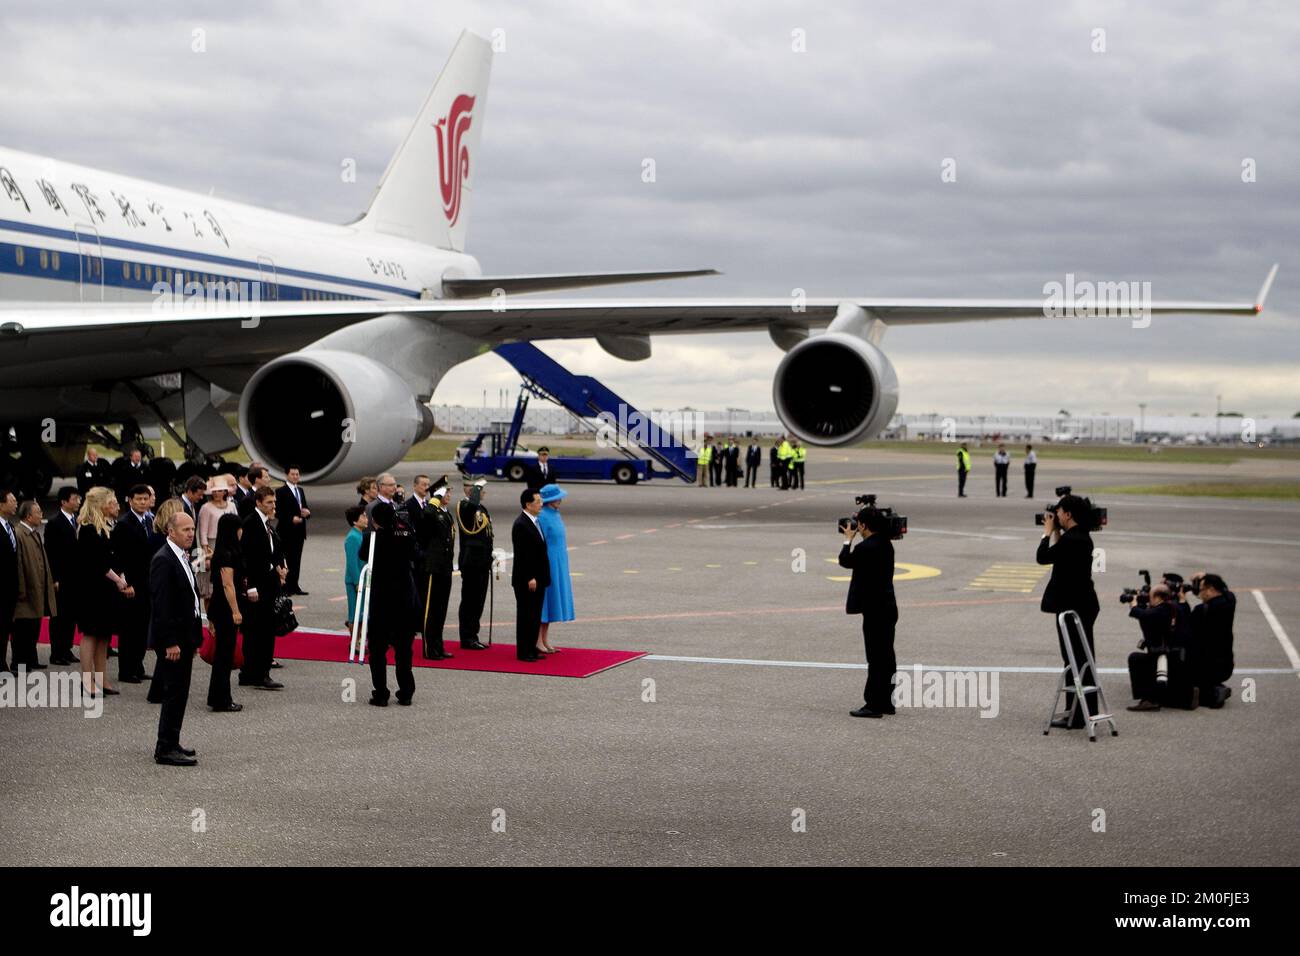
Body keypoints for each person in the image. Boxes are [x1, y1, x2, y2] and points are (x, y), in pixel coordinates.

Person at [1036, 494, 1101, 729]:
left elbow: (1042, 557)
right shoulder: (1079, 537)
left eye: (1059, 512)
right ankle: (1080, 711)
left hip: (1074, 607)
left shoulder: (1074, 540)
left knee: (1075, 660)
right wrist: (1056, 532)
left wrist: (1046, 532)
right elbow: (1060, 556)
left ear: (1068, 514)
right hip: (1082, 604)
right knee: (1079, 659)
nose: (1057, 516)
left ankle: (1078, 715)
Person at [150, 512, 204, 766]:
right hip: (173, 639)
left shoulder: (182, 556)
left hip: (186, 636)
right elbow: (162, 606)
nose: (190, 534)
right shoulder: (164, 560)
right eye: (185, 530)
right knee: (173, 692)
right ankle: (165, 747)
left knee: (181, 691)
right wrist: (170, 641)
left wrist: (193, 638)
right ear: (170, 532)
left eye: (192, 529)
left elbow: (190, 598)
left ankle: (172, 741)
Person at [840, 505, 898, 718]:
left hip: (874, 610)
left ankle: (873, 704)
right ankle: (886, 702)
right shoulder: (886, 544)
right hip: (888, 607)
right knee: (887, 657)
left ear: (863, 525)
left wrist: (848, 539)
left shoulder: (866, 548)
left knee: (875, 658)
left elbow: (845, 561)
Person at [76, 487, 131, 697]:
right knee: (91, 633)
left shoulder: (110, 526)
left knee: (104, 635)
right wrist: (118, 580)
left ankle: (102, 679)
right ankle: (87, 680)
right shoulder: (89, 528)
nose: (116, 505)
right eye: (112, 502)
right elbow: (95, 562)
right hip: (92, 589)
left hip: (108, 588)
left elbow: (115, 557)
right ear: (101, 504)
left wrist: (122, 576)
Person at [365, 501, 418, 705]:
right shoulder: (406, 536)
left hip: (381, 604)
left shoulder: (371, 539)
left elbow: (363, 556)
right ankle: (406, 691)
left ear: (375, 520)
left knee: (378, 651)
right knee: (404, 650)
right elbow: (416, 553)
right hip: (404, 601)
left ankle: (381, 692)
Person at [239, 486, 287, 690]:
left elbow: (272, 551)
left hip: (269, 584)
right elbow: (248, 557)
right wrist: (250, 586)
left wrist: (280, 566)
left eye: (274, 502)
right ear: (258, 502)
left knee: (260, 630)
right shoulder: (251, 524)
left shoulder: (267, 523)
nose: (273, 505)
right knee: (259, 632)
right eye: (269, 502)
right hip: (258, 586)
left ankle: (252, 672)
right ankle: (259, 673)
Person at [111, 484, 156, 683]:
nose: (142, 502)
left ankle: (138, 665)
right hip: (132, 582)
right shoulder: (123, 524)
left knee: (142, 626)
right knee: (129, 629)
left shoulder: (150, 520)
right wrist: (125, 583)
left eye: (145, 499)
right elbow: (118, 557)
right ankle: (126, 670)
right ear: (130, 501)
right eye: (138, 499)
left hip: (147, 582)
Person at [206, 513, 247, 713]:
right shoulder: (227, 554)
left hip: (219, 607)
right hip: (226, 608)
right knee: (224, 655)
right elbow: (228, 584)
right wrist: (236, 610)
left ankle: (219, 696)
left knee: (223, 655)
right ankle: (221, 699)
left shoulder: (221, 552)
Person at [1125, 585, 1188, 712]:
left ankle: (1148, 700)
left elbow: (1144, 616)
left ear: (1157, 596)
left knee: (1135, 659)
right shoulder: (1174, 607)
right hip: (1178, 653)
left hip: (1166, 655)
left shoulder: (1162, 610)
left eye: (1150, 596)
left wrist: (1133, 604)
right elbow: (1150, 615)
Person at [12, 499, 56, 671]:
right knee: (22, 630)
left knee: (33, 628)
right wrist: (21, 590)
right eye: (38, 512)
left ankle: (31, 659)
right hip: (27, 591)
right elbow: (19, 565)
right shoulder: (19, 534)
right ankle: (19, 662)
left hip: (38, 587)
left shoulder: (34, 532)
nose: (41, 515)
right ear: (29, 516)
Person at [416, 479, 455, 660]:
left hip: (445, 567)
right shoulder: (432, 511)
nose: (448, 495)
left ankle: (438, 645)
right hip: (432, 566)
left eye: (448, 493)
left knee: (441, 609)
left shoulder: (446, 513)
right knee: (430, 610)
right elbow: (427, 515)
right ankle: (428, 648)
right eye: (444, 493)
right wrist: (435, 498)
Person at [511, 488, 550, 662]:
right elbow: (522, 556)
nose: (541, 504)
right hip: (527, 579)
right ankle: (523, 651)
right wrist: (530, 577)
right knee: (526, 615)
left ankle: (532, 648)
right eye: (538, 502)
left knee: (535, 615)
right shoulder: (521, 524)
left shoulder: (535, 521)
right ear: (528, 504)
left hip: (539, 578)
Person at [44, 486, 82, 665]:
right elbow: (51, 553)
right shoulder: (54, 523)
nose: (78, 501)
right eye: (74, 499)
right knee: (59, 616)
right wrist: (54, 578)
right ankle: (56, 652)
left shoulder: (76, 520)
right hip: (62, 577)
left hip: (75, 577)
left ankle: (66, 649)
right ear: (64, 502)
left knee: (71, 615)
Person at [456, 477, 492, 650]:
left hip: (482, 562)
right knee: (470, 601)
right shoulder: (465, 506)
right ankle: (467, 637)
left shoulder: (480, 508)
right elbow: (471, 506)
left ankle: (473, 634)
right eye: (479, 490)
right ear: (471, 491)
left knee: (478, 601)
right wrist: (476, 489)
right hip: (471, 563)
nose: (483, 492)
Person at [537, 484, 574, 654]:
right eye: (557, 497)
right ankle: (537, 640)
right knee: (545, 601)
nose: (560, 500)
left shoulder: (555, 514)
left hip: (559, 561)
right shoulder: (543, 516)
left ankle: (545, 639)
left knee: (552, 601)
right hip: (548, 561)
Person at [1192, 573, 1235, 709]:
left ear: (1210, 590)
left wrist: (1181, 602)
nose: (1199, 594)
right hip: (1226, 665)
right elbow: (1226, 590)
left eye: (1201, 590)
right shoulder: (1229, 601)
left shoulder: (1202, 611)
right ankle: (1215, 686)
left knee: (1189, 691)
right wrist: (1207, 575)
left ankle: (1214, 694)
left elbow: (1185, 627)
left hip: (1206, 667)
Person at [197, 477, 237, 603]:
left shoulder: (232, 506)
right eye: (214, 491)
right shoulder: (206, 508)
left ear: (225, 491)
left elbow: (237, 526)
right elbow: (202, 532)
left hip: (229, 545)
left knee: (228, 580)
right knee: (210, 589)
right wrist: (206, 557)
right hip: (211, 545)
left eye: (219, 491)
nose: (216, 493)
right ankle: (210, 621)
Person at [275, 465, 311, 596]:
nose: (295, 476)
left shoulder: (300, 490)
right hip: (286, 531)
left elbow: (304, 507)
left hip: (299, 531)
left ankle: (295, 585)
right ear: (287, 475)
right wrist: (291, 519)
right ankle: (285, 587)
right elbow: (278, 512)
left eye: (297, 474)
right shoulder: (281, 491)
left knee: (296, 560)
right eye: (293, 474)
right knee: (286, 560)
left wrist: (307, 513)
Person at [0, 489, 18, 673]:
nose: (16, 503)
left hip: (10, 588)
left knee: (5, 627)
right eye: (12, 500)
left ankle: (2, 663)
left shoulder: (10, 526)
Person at [343, 506, 367, 631]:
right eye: (363, 516)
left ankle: (359, 640)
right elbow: (352, 563)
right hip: (355, 581)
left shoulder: (360, 535)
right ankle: (355, 642)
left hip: (362, 579)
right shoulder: (353, 537)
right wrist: (358, 582)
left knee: (362, 613)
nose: (366, 518)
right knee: (355, 613)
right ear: (355, 521)